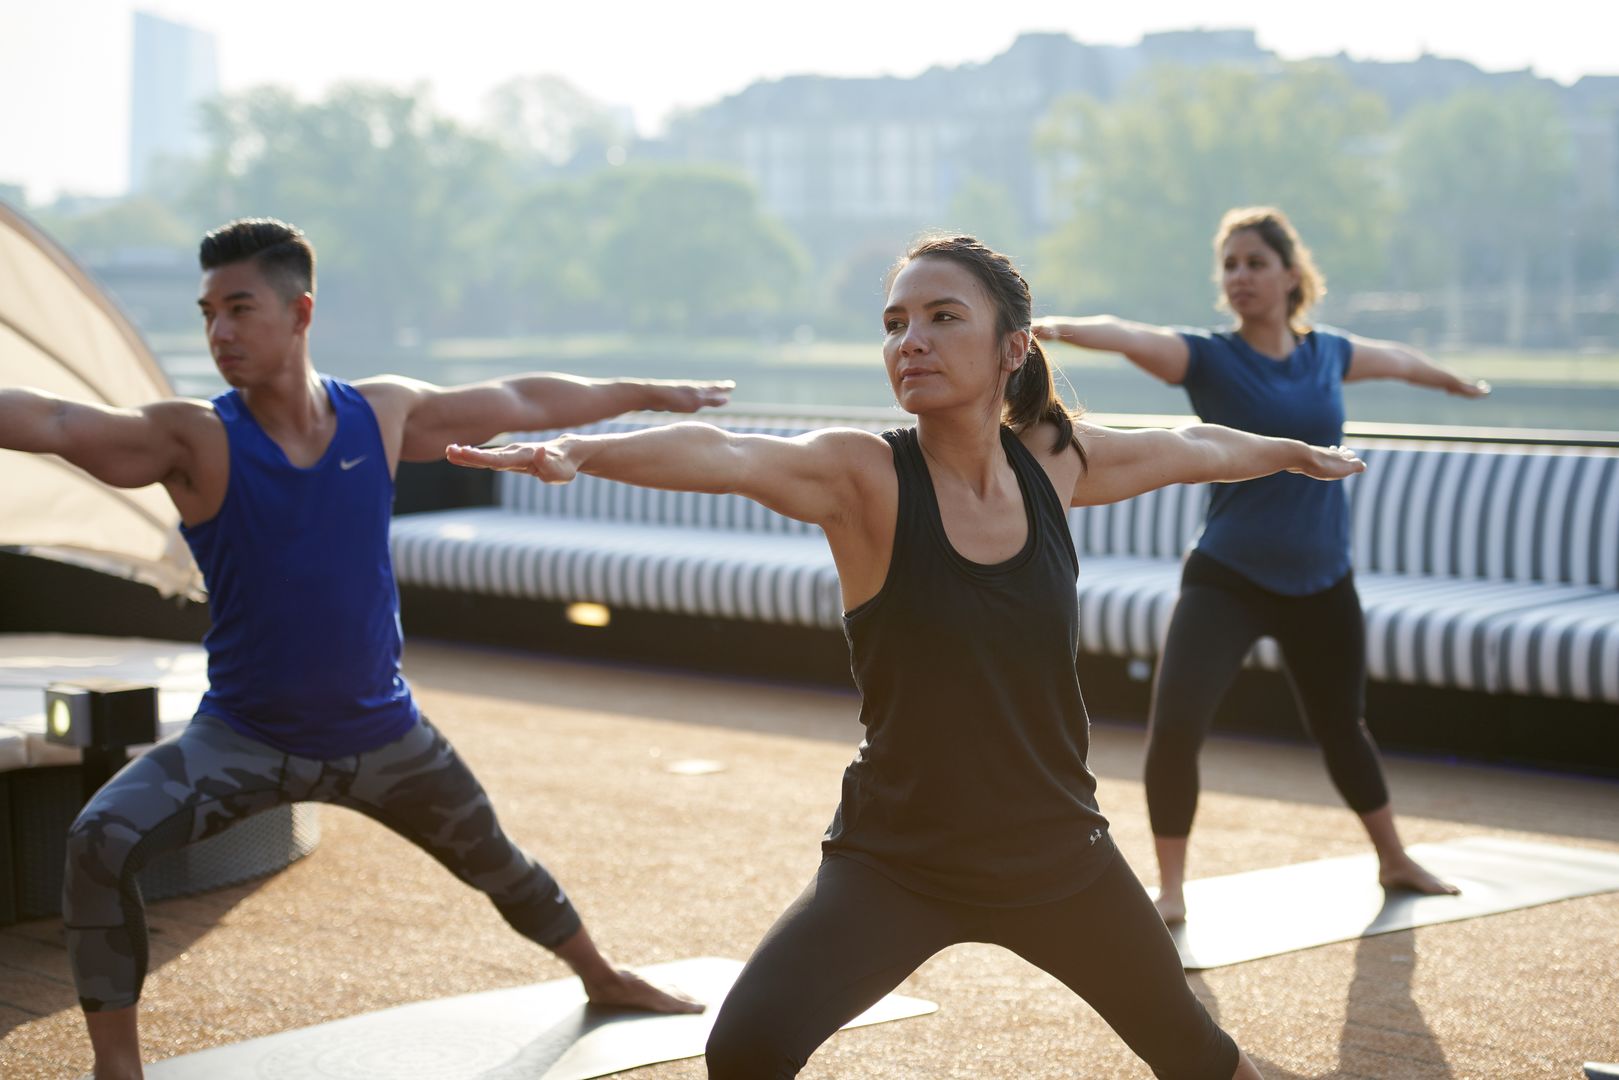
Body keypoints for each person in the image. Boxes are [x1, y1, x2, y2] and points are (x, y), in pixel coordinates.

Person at [447, 234, 1370, 1079]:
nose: (910, 342)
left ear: (1013, 348)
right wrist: (576, 451)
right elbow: (723, 451)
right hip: (898, 858)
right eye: (893, 324)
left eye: (941, 318)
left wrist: (1289, 451)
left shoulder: (1055, 463)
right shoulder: (863, 477)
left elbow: (1192, 445)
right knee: (745, 1049)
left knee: (1198, 1056)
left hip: (1056, 850)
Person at [0, 217, 730, 1080]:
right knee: (100, 839)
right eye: (207, 313)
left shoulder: (380, 414)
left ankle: (603, 977)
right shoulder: (191, 437)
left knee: (499, 860)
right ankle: (116, 1066)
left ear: (300, 311)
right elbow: (51, 419)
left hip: (384, 735)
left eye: (240, 308)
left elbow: (524, 401)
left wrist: (647, 389)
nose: (219, 332)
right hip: (244, 738)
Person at [1035, 205, 1487, 925]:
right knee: (1177, 725)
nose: (1239, 277)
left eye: (1254, 263)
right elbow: (1128, 335)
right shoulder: (1209, 358)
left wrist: (1453, 384)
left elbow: (1399, 360)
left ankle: (1394, 859)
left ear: (1289, 275)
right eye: (1229, 266)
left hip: (1322, 579)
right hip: (1226, 578)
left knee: (1342, 726)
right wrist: (1050, 330)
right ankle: (1172, 889)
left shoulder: (1328, 353)